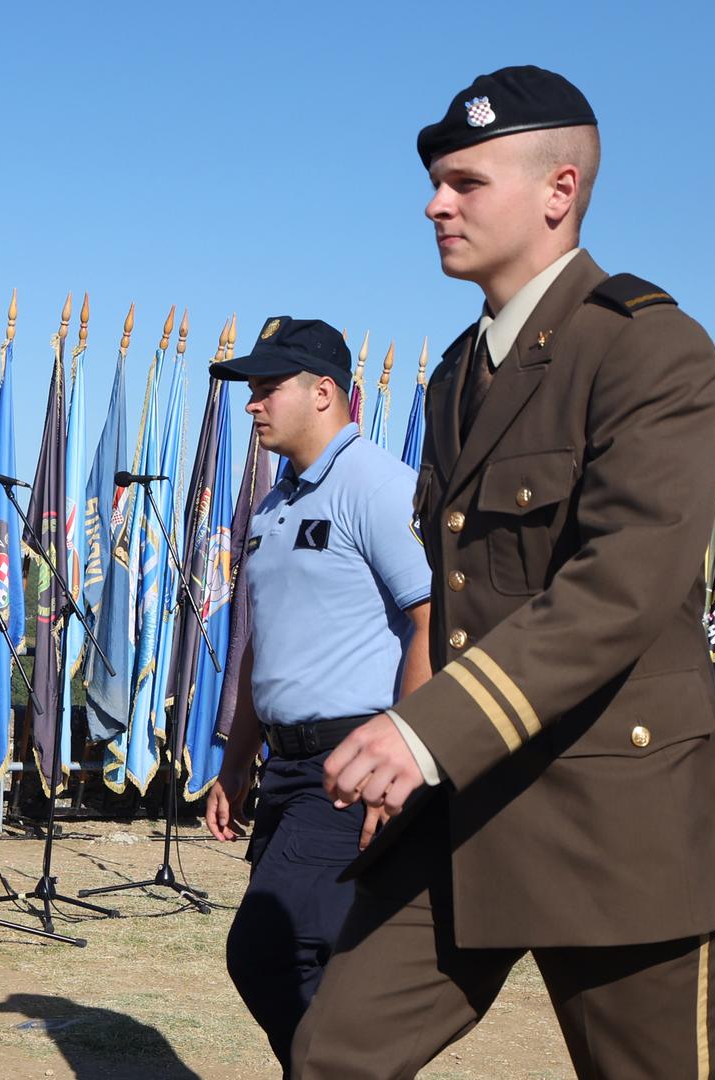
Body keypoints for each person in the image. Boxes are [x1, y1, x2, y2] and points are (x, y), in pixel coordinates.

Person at [294, 66, 715, 1078]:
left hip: (613, 820)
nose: (433, 202)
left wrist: (423, 732)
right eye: (434, 182)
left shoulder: (648, 351)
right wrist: (409, 751)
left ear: (559, 188)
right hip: (460, 809)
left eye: (464, 181)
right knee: (334, 1055)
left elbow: (619, 586)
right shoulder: (459, 370)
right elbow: (453, 603)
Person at [203, 316, 431, 1069]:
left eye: (267, 387)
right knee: (317, 963)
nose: (252, 404)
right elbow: (262, 645)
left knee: (269, 951)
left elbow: (434, 618)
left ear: (324, 392)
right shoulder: (270, 508)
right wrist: (235, 763)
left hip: (355, 759)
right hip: (287, 767)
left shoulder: (377, 484)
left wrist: (404, 754)